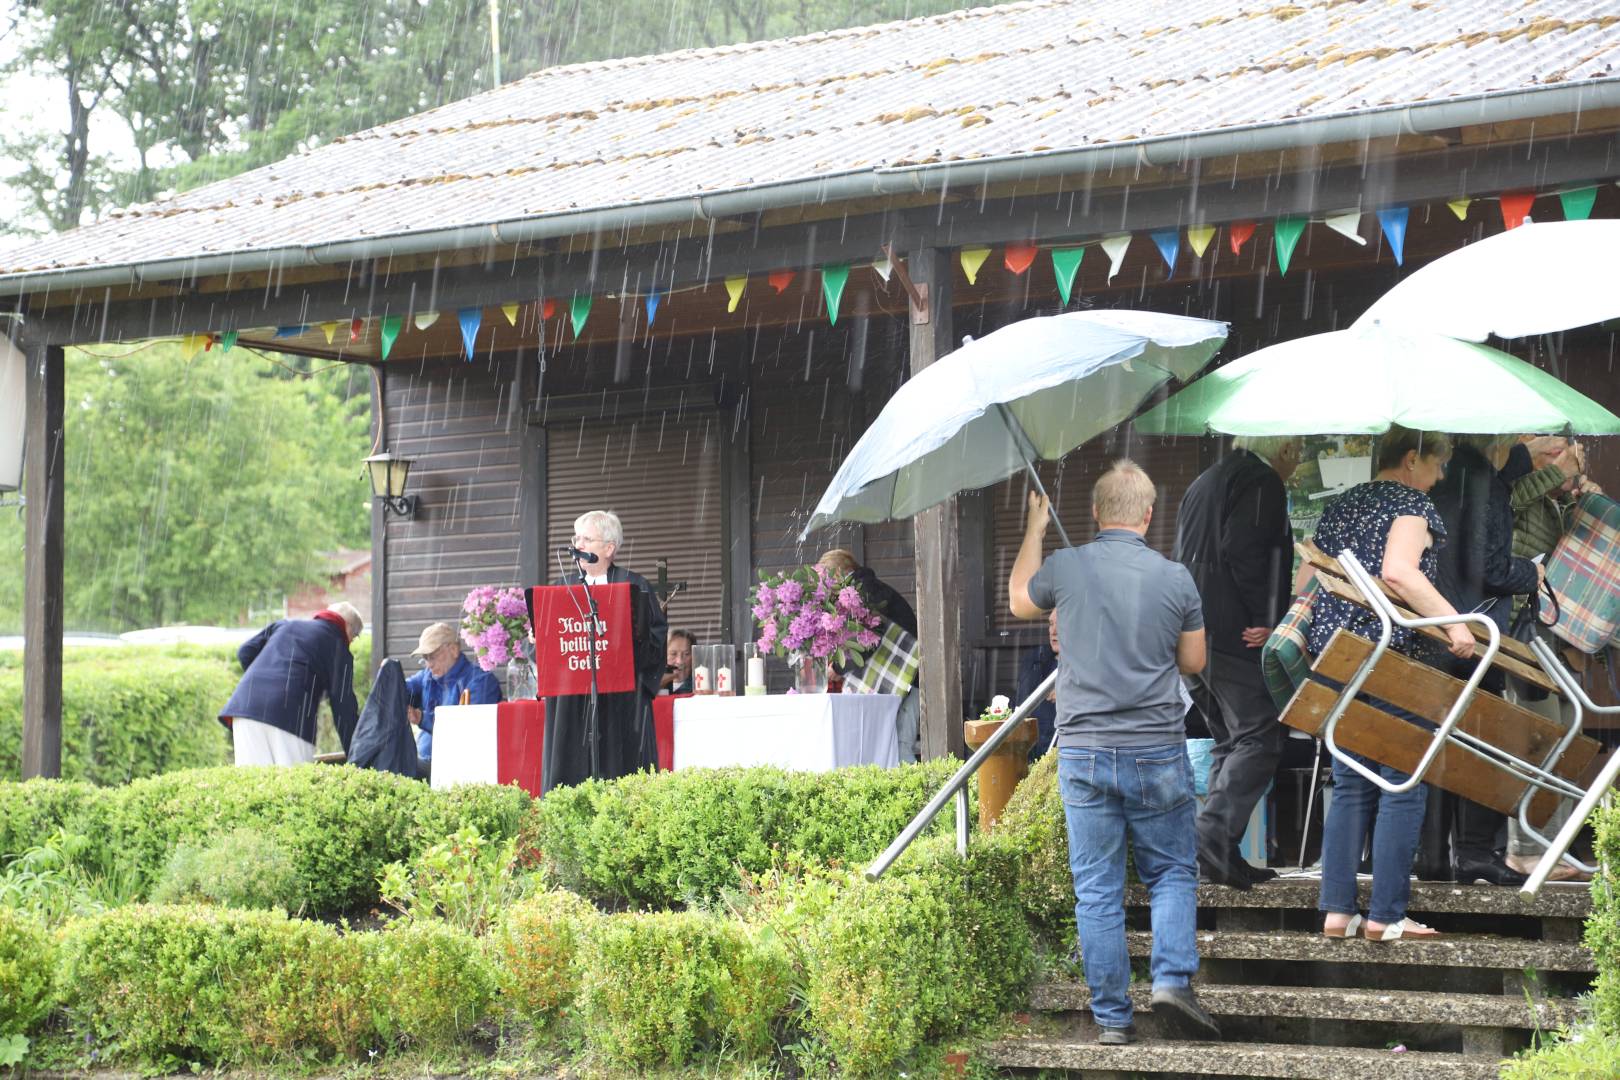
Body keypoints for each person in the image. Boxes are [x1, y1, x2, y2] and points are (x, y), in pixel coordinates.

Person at [1009, 460, 1221, 1046]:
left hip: (1084, 752)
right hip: (1156, 747)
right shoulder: (1175, 577)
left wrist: (1035, 527)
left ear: (1097, 513)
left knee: (1096, 889)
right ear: (1149, 516)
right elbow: (1194, 662)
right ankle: (1172, 980)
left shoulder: (1068, 567)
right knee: (1172, 872)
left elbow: (1018, 601)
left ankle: (1111, 1020)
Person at [1305, 426, 1471, 942]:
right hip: (1393, 656)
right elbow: (1400, 572)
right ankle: (1386, 916)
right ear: (1412, 459)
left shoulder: (1339, 507)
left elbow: (1304, 581)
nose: (1440, 476)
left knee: (1352, 784)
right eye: (1438, 464)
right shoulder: (1408, 502)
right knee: (1402, 783)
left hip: (1338, 657)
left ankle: (1338, 911)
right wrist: (1455, 624)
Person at [1172, 436, 1301, 889]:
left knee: (1229, 737)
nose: (1300, 458)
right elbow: (1245, 552)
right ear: (1284, 448)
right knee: (1260, 736)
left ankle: (1218, 853)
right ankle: (1212, 837)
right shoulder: (1261, 480)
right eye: (1298, 448)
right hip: (1233, 631)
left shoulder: (1204, 481)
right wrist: (1267, 618)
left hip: (1190, 626)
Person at [1428, 435, 1543, 886]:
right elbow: (1490, 569)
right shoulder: (1484, 483)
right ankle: (1475, 852)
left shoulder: (1445, 476)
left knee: (1437, 743)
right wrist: (1532, 573)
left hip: (1436, 628)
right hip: (1475, 633)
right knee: (1482, 740)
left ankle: (1433, 852)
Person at [1501, 434, 1598, 881]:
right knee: (1534, 737)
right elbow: (1513, 498)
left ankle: (1550, 847)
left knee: (1560, 734)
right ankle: (1524, 849)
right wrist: (1559, 473)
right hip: (1518, 630)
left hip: (1548, 632)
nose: (1570, 463)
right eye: (1557, 453)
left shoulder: (1551, 502)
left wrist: (1578, 498)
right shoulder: (1511, 488)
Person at [541, 509, 667, 792]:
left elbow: (656, 643)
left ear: (609, 548)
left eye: (587, 539)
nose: (578, 545)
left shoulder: (634, 586)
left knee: (622, 777)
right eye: (576, 538)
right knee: (570, 779)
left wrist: (632, 645)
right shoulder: (561, 589)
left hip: (621, 702)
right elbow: (551, 646)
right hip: (572, 703)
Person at [219, 601, 363, 766]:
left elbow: (245, 651)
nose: (351, 642)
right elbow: (344, 711)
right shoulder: (338, 647)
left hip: (245, 711)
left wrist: (265, 681)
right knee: (293, 787)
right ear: (349, 628)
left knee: (255, 785)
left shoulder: (287, 625)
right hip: (290, 716)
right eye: (354, 637)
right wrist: (357, 758)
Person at [818, 548, 921, 761]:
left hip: (907, 683)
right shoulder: (870, 587)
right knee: (893, 747)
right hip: (906, 680)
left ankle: (918, 795)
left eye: (826, 580)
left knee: (899, 747)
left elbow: (867, 639)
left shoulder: (863, 591)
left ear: (838, 573)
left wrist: (838, 668)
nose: (826, 589)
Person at [406, 621, 502, 763]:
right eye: (425, 658)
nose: (429, 664)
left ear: (453, 650)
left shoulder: (481, 681)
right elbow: (402, 689)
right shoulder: (427, 675)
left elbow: (465, 731)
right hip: (424, 763)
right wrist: (389, 674)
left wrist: (421, 718)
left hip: (459, 768)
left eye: (432, 656)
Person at [1015, 610, 1060, 760]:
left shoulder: (1086, 670)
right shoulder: (1036, 663)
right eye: (1051, 624)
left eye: (1060, 624)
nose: (1053, 631)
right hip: (1035, 753)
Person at [660, 629, 696, 695]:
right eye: (673, 654)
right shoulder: (651, 689)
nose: (680, 661)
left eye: (686, 654)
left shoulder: (700, 689)